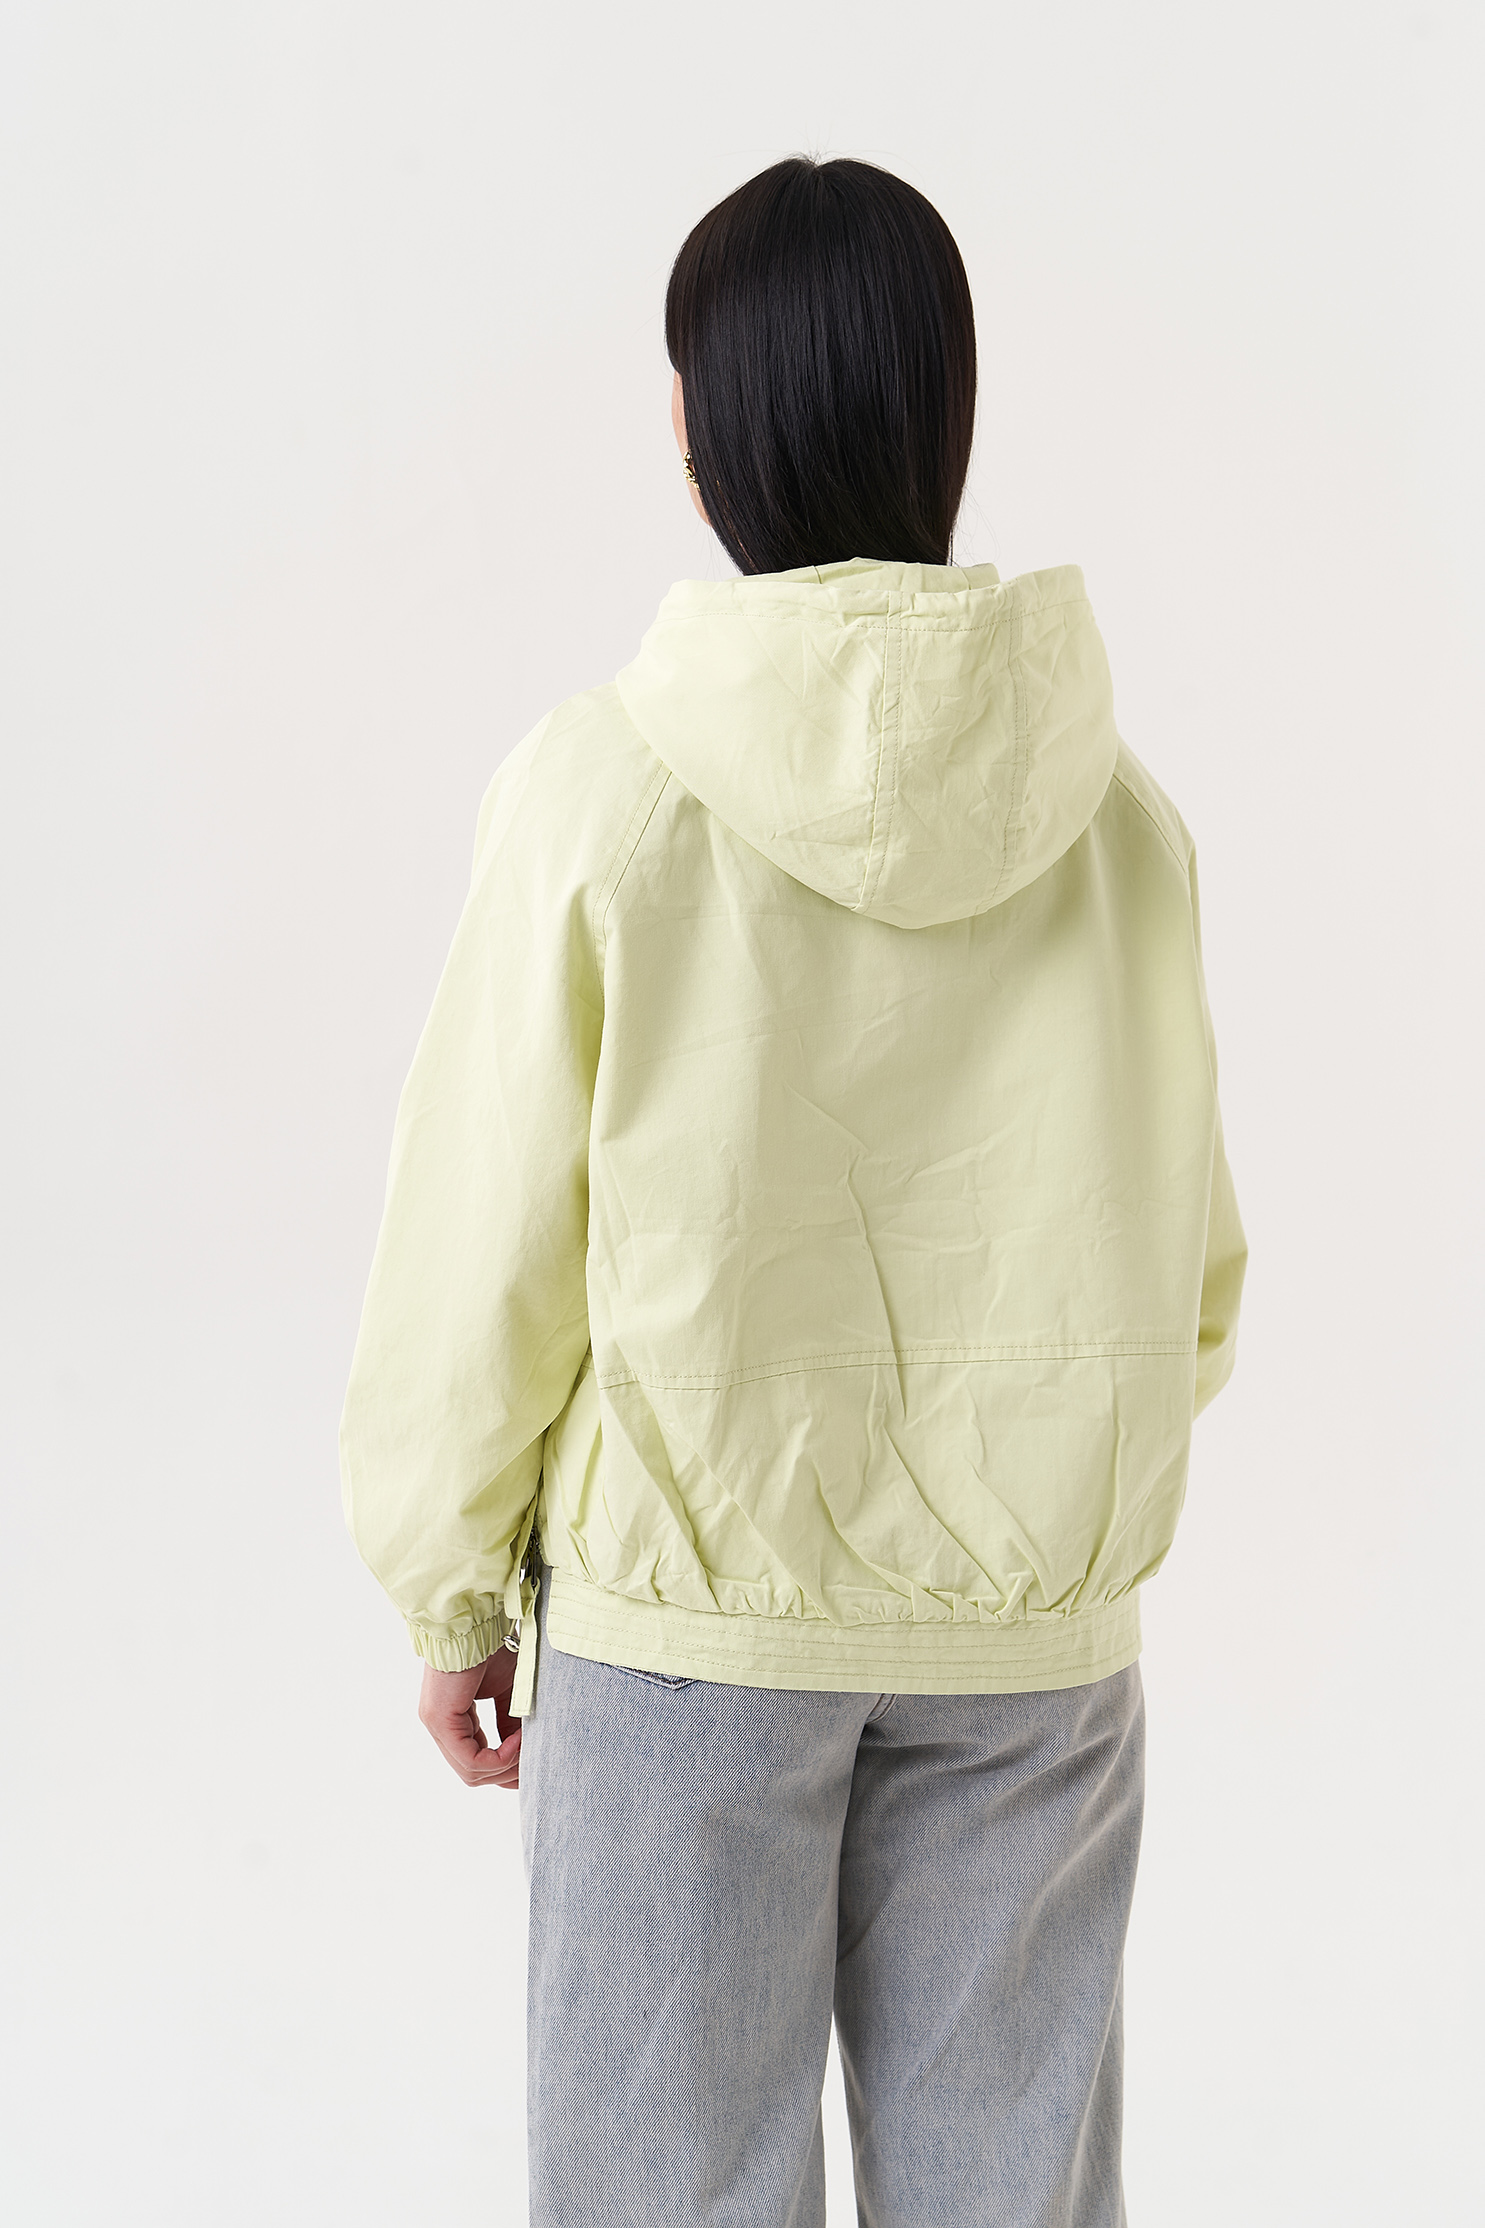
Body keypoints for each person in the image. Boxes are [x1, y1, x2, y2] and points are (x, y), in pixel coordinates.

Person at [341, 154, 1246, 2228]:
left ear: (700, 428)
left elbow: (479, 1243)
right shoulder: (1118, 819)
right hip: (1032, 1656)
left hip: (684, 1636)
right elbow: (1187, 1274)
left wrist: (449, 1586)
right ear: (945, 411)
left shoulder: (601, 791)